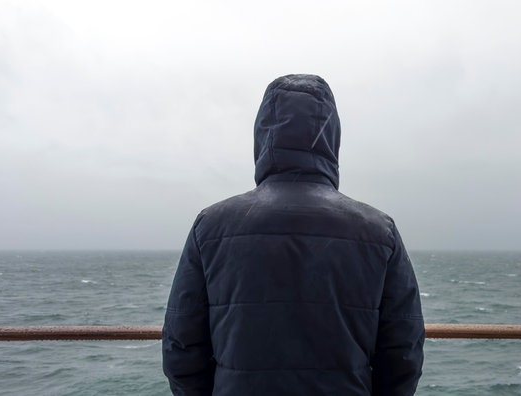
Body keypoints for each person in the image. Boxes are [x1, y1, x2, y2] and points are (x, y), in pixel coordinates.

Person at [162, 74, 424, 396]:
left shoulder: (211, 226)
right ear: (332, 137)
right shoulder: (379, 231)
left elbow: (182, 345)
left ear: (262, 137)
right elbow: (403, 351)